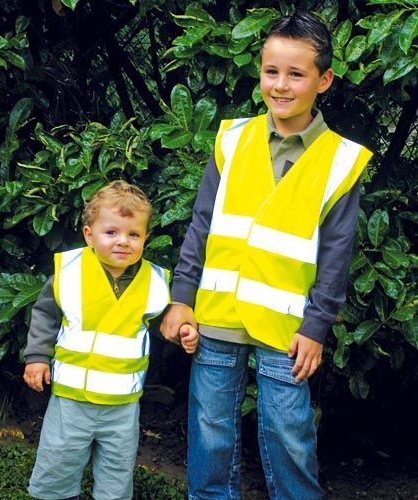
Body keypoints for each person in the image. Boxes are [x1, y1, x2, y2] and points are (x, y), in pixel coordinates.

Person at [160, 10, 372, 500]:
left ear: (324, 80)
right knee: (211, 426)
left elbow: (337, 254)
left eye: (296, 74)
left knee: (288, 432)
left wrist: (316, 326)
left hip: (288, 327)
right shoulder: (232, 140)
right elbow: (202, 224)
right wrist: (182, 298)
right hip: (216, 315)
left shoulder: (340, 160)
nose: (280, 85)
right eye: (271, 71)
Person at [23, 180, 198, 500]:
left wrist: (182, 331)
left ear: (146, 237)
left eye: (134, 234)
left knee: (116, 474)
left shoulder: (156, 282)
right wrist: (36, 357)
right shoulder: (70, 271)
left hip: (123, 406)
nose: (123, 242)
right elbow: (45, 315)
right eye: (111, 232)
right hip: (71, 400)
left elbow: (165, 322)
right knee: (58, 465)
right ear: (89, 235)